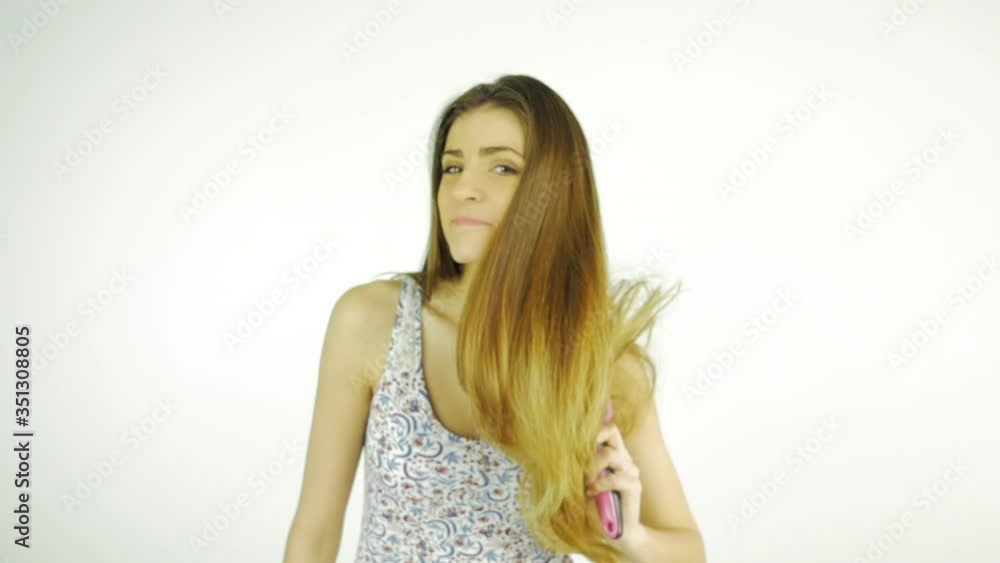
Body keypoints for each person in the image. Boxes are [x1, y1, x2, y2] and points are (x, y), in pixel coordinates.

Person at [283, 75, 705, 562]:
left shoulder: (601, 361)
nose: (464, 188)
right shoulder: (370, 323)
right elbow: (314, 536)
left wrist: (629, 538)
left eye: (503, 167)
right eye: (452, 167)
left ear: (556, 192)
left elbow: (688, 551)